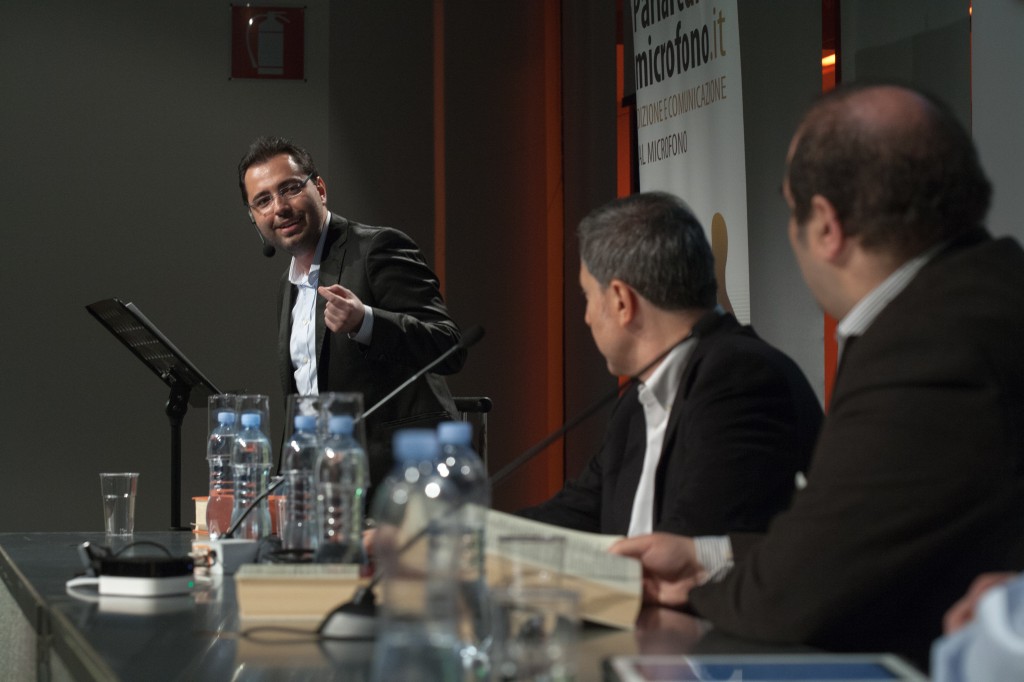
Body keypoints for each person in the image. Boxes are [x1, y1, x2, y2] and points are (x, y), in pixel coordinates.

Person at [611, 84, 1024, 669]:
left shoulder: (931, 343)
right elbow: (852, 537)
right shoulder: (975, 293)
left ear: (827, 226)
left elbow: (801, 592)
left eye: (790, 207)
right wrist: (707, 556)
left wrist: (693, 588)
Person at [519, 192, 822, 537]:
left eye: (587, 296)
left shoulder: (742, 379)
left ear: (621, 301)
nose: (587, 317)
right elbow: (577, 512)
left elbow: (696, 545)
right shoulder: (637, 402)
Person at [238, 136, 466, 487]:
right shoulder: (287, 287)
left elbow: (449, 346)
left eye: (290, 189)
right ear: (254, 219)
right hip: (326, 485)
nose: (279, 208)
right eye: (263, 201)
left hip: (401, 479)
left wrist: (366, 322)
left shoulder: (377, 248)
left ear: (320, 189)